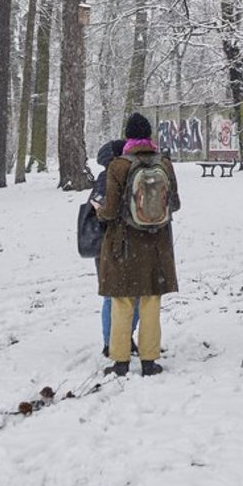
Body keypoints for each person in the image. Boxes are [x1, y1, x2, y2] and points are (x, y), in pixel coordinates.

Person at [96, 112, 180, 376]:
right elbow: (175, 203)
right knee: (151, 302)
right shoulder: (164, 164)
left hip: (124, 246)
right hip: (156, 246)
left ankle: (120, 361)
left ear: (128, 136)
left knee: (122, 302)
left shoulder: (118, 165)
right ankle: (149, 361)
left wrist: (100, 212)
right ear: (150, 135)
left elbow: (109, 211)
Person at [90, 140, 139, 356]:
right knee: (118, 295)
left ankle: (119, 338)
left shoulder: (114, 176)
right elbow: (102, 208)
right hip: (110, 243)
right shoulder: (106, 178)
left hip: (113, 243)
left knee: (121, 294)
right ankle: (113, 340)